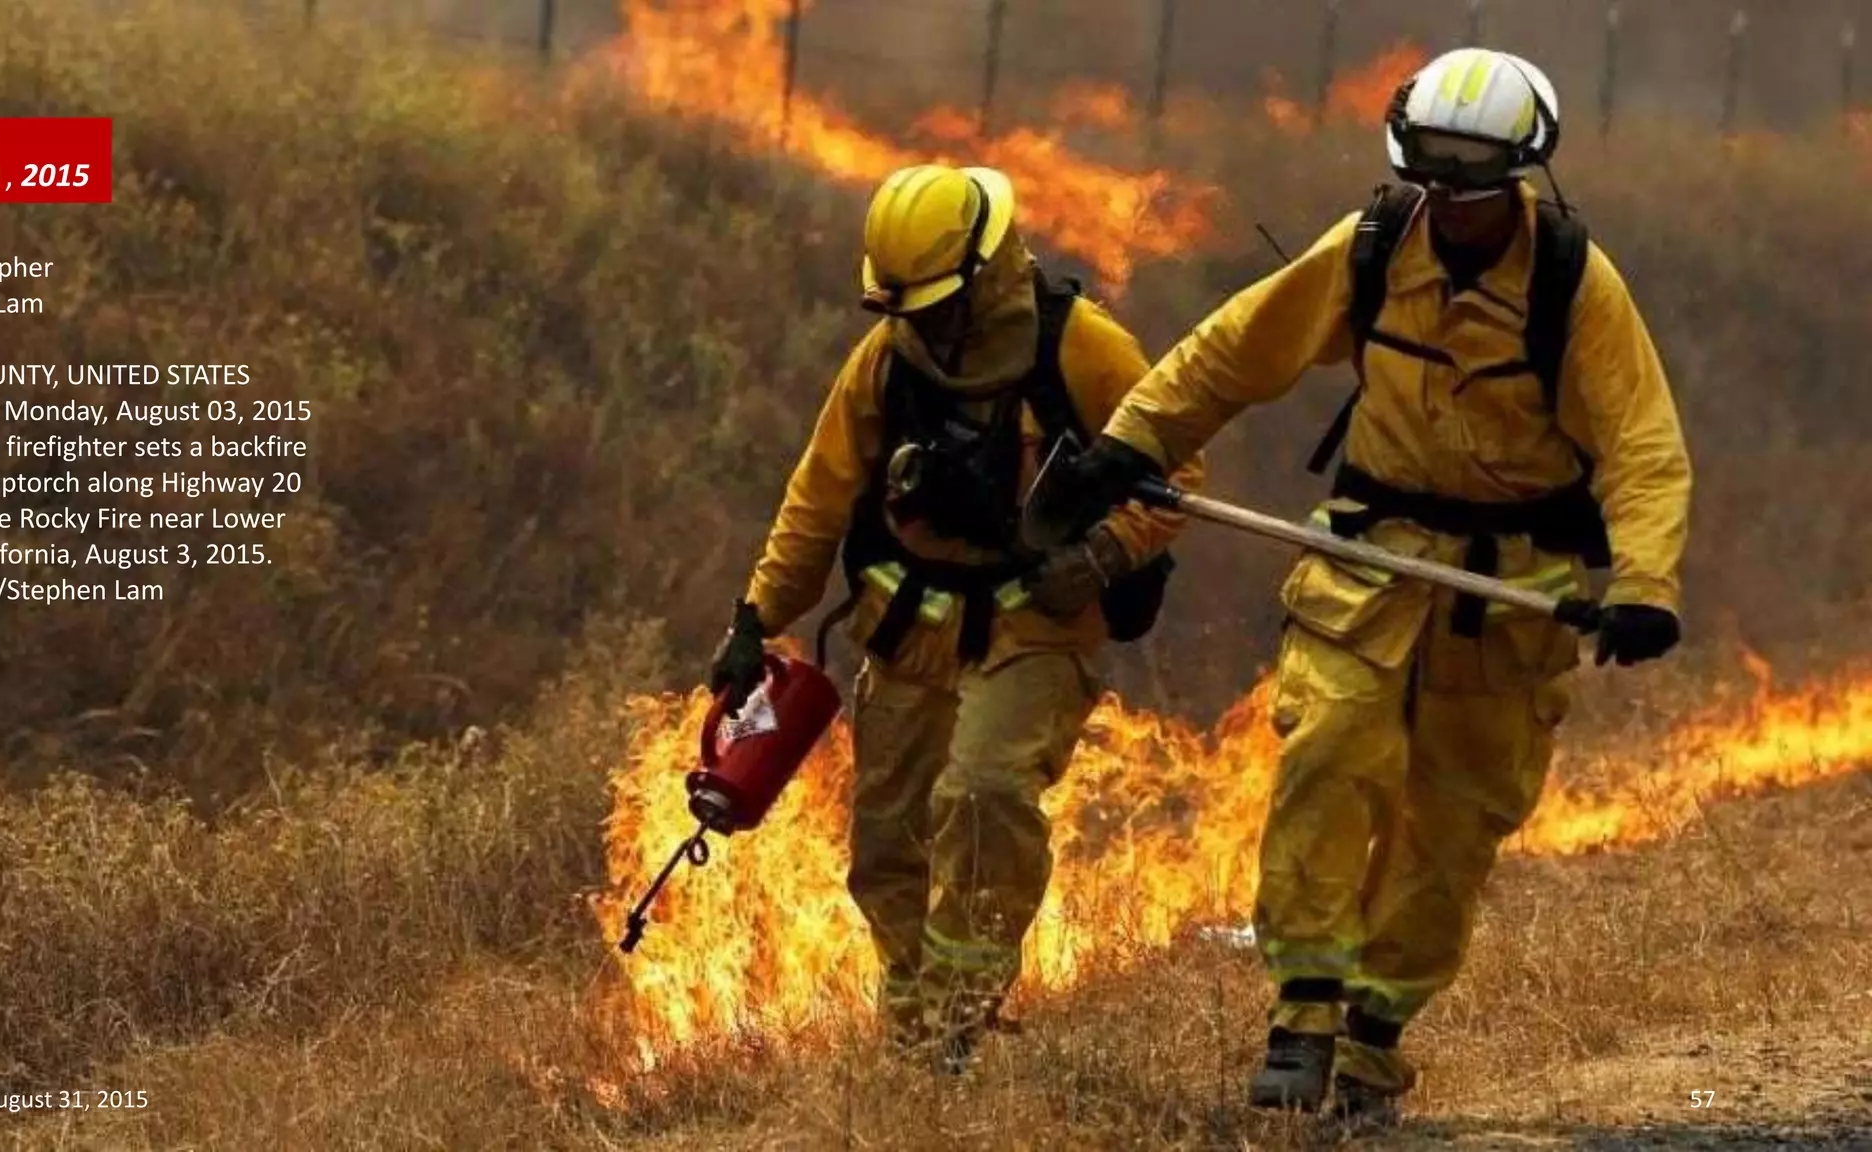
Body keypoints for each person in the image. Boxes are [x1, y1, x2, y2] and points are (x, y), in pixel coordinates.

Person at [1025, 48, 1692, 1125]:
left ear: (1519, 178)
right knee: (1329, 753)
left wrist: (1645, 583)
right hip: (1365, 563)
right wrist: (1129, 440)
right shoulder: (1375, 246)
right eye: (1431, 180)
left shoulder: (1573, 285)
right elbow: (1232, 352)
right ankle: (1301, 1013)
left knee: (1451, 823)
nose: (1448, 206)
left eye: (1470, 189)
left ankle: (1374, 1043)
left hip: (1508, 592)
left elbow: (1641, 448)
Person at [708, 163, 1203, 1073]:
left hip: (1036, 630)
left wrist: (1100, 553)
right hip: (907, 630)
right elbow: (817, 500)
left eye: (937, 304)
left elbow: (1177, 479)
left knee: (982, 795)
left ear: (987, 273)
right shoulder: (889, 358)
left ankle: (958, 1020)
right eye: (906, 309)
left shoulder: (1082, 349)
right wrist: (757, 617)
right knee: (887, 846)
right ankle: (916, 1046)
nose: (923, 325)